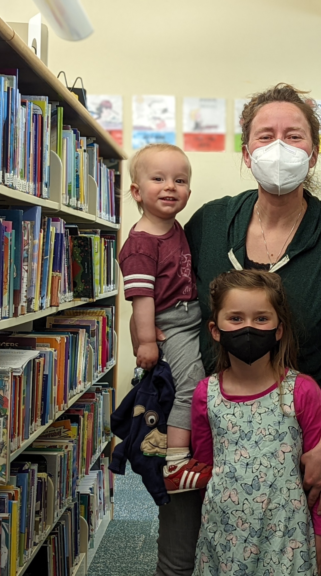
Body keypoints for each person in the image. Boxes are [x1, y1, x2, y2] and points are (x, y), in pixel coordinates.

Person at [143, 83, 321, 575]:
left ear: (313, 153)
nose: (279, 147)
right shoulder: (210, 223)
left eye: (294, 136)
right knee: (183, 557)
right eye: (265, 135)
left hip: (293, 434)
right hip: (208, 417)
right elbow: (165, 298)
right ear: (246, 153)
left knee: (288, 557)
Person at [191, 269, 321, 576]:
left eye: (260, 319)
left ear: (279, 329)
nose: (248, 328)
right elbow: (204, 468)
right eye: (235, 318)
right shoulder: (206, 394)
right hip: (224, 532)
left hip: (287, 535)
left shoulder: (303, 391)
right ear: (215, 330)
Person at [118, 143, 211, 495]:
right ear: (137, 192)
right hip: (171, 323)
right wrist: (145, 340)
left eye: (180, 179)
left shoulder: (173, 228)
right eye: (158, 178)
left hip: (190, 315)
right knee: (190, 384)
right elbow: (141, 298)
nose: (171, 186)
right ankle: (175, 463)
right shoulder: (142, 244)